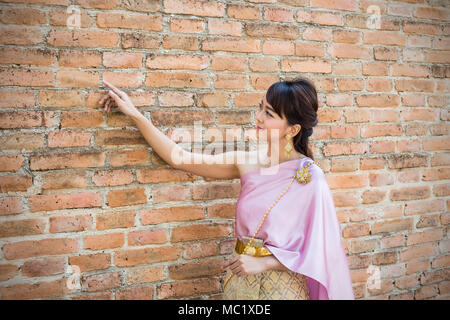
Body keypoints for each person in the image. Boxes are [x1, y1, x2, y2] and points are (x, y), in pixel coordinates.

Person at [99, 77, 355, 300]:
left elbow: (321, 251)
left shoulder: (311, 178)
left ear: (293, 129)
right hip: (239, 284)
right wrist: (135, 114)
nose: (258, 117)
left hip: (283, 289)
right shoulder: (246, 162)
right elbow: (178, 158)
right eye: (260, 108)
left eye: (269, 114)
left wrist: (265, 263)